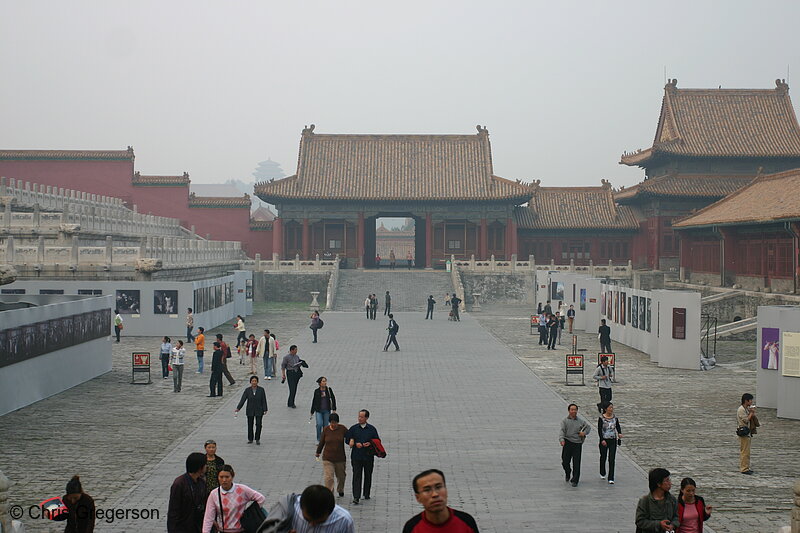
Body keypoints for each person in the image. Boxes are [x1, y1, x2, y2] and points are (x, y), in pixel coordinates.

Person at [403, 469, 479, 533]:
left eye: (438, 487)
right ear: (418, 497)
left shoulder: (466, 522)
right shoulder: (412, 528)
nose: (435, 494)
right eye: (427, 490)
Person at [202, 465, 265, 533]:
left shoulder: (242, 489)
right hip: (224, 530)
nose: (224, 480)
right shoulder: (214, 494)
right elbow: (208, 517)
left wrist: (250, 513)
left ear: (232, 476)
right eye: (221, 477)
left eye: (227, 477)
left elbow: (261, 499)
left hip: (241, 530)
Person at [285, 485, 355, 533]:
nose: (312, 524)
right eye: (307, 519)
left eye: (320, 522)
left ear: (331, 512)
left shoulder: (344, 520)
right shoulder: (290, 509)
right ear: (301, 507)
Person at [345, 409, 380, 504]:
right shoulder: (353, 428)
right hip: (356, 456)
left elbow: (377, 441)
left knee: (368, 475)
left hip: (368, 456)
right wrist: (355, 443)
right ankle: (356, 496)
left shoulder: (372, 429)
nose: (360, 418)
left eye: (362, 417)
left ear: (366, 418)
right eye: (359, 416)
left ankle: (366, 493)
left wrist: (370, 443)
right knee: (357, 475)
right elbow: (347, 439)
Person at [167, 452, 207, 533]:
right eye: (205, 464)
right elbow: (173, 511)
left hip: (197, 526)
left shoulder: (201, 482)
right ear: (200, 467)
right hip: (182, 527)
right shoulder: (179, 484)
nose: (207, 467)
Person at [635, 468, 679, 533]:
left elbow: (676, 517)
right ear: (658, 484)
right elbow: (640, 521)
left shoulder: (672, 500)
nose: (670, 483)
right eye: (667, 481)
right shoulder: (645, 501)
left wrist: (672, 525)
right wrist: (659, 524)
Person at [316, 413, 348, 497]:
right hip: (328, 458)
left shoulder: (342, 429)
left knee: (341, 476)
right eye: (332, 423)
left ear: (338, 422)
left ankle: (340, 489)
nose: (333, 425)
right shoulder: (326, 430)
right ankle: (329, 494)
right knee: (329, 477)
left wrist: (352, 441)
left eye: (335, 423)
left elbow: (349, 437)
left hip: (340, 458)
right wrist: (318, 452)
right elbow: (322, 442)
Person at [559, 403, 590, 487]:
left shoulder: (581, 421)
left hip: (577, 443)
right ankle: (568, 472)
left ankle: (575, 480)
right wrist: (561, 440)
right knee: (565, 461)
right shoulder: (565, 421)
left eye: (575, 410)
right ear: (569, 411)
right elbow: (562, 431)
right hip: (567, 442)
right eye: (572, 410)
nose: (573, 411)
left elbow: (588, 427)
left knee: (576, 462)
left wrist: (583, 433)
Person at [235, 376, 268, 445]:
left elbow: (264, 400)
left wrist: (265, 409)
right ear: (250, 382)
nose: (254, 382)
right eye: (252, 381)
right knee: (250, 425)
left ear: (257, 382)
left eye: (255, 381)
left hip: (259, 409)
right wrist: (238, 408)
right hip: (250, 410)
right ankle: (250, 438)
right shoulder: (247, 390)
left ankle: (257, 438)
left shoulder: (261, 390)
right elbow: (243, 399)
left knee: (259, 424)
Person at [597, 402, 623, 484]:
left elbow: (618, 426)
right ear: (605, 409)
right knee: (603, 456)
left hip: (613, 440)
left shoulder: (615, 418)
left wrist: (619, 433)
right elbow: (599, 430)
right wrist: (602, 439)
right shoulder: (601, 418)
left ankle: (611, 477)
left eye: (612, 407)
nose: (611, 409)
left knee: (612, 459)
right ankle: (602, 471)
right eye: (610, 407)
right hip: (604, 440)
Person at [311, 376, 337, 442]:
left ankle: (325, 438)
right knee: (319, 424)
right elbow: (314, 401)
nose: (325, 382)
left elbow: (333, 399)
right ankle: (319, 439)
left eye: (325, 381)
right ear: (320, 383)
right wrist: (312, 411)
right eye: (323, 381)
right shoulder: (317, 391)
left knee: (326, 426)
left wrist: (334, 409)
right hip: (318, 410)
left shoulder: (329, 390)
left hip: (327, 410)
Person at [737, 393, 758, 475]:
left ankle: (746, 467)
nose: (751, 402)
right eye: (750, 400)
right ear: (746, 401)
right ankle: (744, 468)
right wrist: (751, 413)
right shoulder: (741, 409)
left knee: (747, 451)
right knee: (745, 451)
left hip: (747, 432)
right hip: (743, 432)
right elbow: (746, 420)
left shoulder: (745, 409)